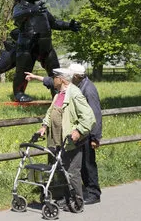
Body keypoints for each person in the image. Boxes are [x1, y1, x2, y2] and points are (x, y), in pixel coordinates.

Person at [26, 63, 103, 204]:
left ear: (63, 79)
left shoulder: (81, 91)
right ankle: (64, 196)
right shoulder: (60, 92)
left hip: (75, 136)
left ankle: (88, 194)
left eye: (55, 77)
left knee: (83, 165)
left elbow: (92, 115)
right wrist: (44, 126)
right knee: (61, 167)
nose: (53, 79)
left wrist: (91, 135)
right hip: (58, 138)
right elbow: (51, 111)